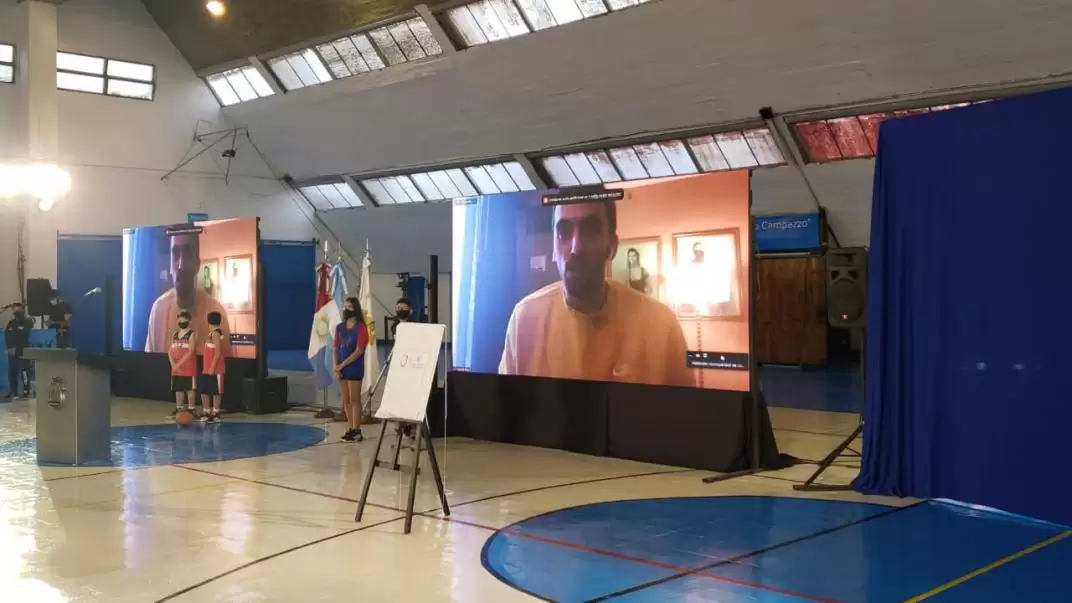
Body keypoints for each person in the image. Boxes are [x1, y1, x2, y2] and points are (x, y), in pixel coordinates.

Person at [499, 200, 694, 387]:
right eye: (563, 232)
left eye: (591, 230)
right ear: (554, 249)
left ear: (612, 246)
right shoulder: (524, 319)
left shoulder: (662, 326)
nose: (576, 249)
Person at [146, 231, 231, 357]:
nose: (180, 265)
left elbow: (228, 366)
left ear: (197, 263)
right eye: (175, 254)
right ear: (170, 265)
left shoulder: (216, 313)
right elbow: (148, 364)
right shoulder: (158, 310)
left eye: (187, 254)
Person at [334, 298, 369, 442]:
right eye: (345, 306)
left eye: (349, 306)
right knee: (346, 400)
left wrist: (342, 365)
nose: (346, 309)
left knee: (355, 399)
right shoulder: (339, 328)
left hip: (354, 367)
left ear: (355, 309)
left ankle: (357, 430)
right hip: (341, 368)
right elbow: (336, 348)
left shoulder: (361, 328)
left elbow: (359, 350)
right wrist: (336, 367)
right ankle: (350, 428)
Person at [169, 310, 198, 418]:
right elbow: (170, 351)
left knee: (190, 388)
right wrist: (173, 364)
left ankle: (191, 409)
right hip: (176, 368)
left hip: (188, 367)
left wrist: (179, 364)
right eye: (180, 319)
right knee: (178, 388)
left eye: (184, 319)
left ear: (189, 321)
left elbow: (191, 351)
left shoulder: (192, 334)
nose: (181, 321)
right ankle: (179, 408)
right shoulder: (175, 334)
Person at [199, 311, 225, 423]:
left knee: (216, 391)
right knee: (205, 390)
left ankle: (216, 413)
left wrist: (213, 367)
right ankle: (206, 412)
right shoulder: (211, 334)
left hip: (216, 369)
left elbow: (218, 352)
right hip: (207, 368)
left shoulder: (216, 334)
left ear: (208, 321)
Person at [4, 303, 33, 399]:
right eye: (14, 310)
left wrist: (16, 347)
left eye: (17, 309)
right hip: (12, 352)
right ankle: (13, 391)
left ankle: (26, 391)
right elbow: (7, 334)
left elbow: (23, 335)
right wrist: (9, 347)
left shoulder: (27, 322)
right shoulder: (11, 323)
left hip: (22, 350)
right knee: (12, 372)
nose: (15, 311)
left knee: (24, 371)